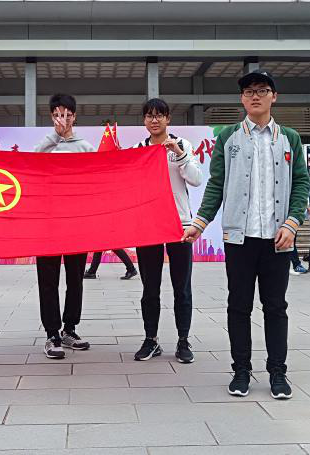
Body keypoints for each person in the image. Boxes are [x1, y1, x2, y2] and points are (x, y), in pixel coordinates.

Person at [183, 70, 310, 399]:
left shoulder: (289, 138)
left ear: (274, 96)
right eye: (249, 91)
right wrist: (200, 222)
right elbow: (217, 184)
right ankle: (241, 370)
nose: (255, 96)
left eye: (262, 90)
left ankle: (278, 372)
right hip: (239, 239)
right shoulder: (229, 137)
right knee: (238, 306)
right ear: (242, 98)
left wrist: (292, 222)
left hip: (277, 239)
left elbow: (301, 183)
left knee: (275, 307)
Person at [133, 98, 202, 364]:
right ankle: (151, 340)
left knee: (181, 287)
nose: (154, 120)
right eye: (149, 116)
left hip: (179, 225)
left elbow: (196, 179)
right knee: (150, 287)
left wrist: (180, 154)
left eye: (159, 115)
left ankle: (183, 341)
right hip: (149, 227)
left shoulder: (182, 145)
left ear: (168, 119)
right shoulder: (138, 150)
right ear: (144, 120)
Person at [34, 93, 95, 359]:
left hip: (76, 224)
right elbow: (28, 166)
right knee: (47, 280)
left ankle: (69, 329)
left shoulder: (85, 147)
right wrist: (54, 138)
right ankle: (52, 334)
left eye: (68, 114)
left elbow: (97, 178)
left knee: (75, 279)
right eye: (58, 114)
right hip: (47, 223)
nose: (64, 119)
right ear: (51, 116)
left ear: (75, 116)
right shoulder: (44, 146)